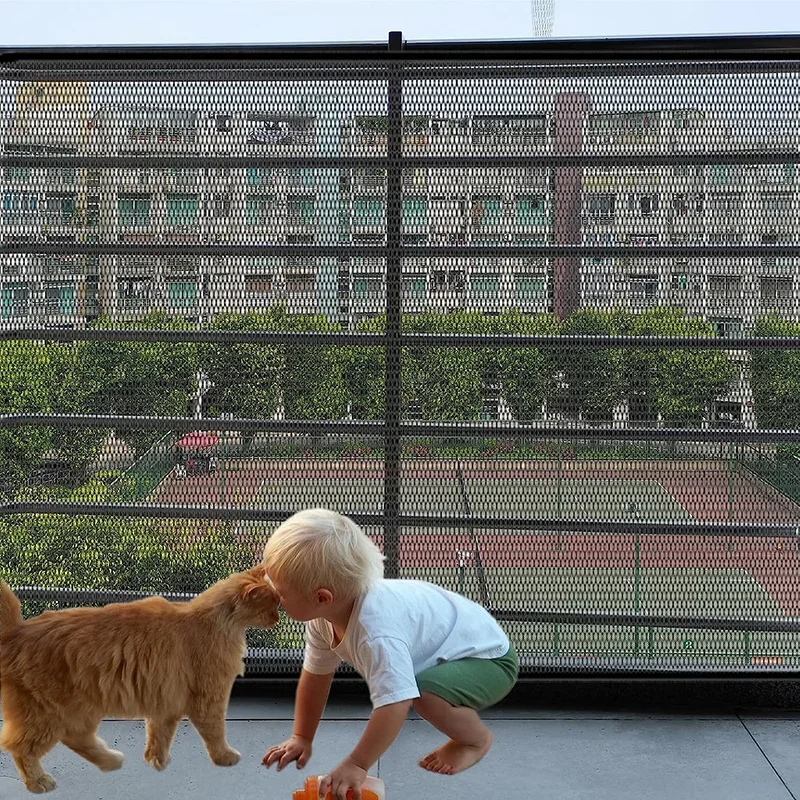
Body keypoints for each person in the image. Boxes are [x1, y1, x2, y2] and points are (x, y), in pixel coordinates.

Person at [261, 508, 518, 800]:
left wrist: (357, 764)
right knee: (416, 685)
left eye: (279, 592)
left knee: (424, 695)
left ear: (322, 598)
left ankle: (475, 741)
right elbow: (316, 676)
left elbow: (396, 702)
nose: (273, 596)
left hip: (489, 660)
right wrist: (302, 737)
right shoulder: (323, 618)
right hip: (451, 648)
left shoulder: (376, 631)